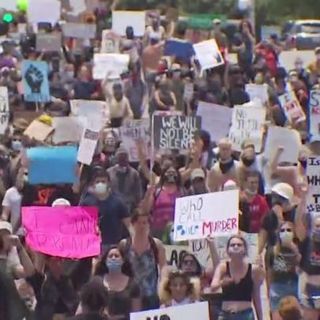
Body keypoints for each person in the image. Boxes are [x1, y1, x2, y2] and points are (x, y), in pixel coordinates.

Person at [119, 209, 167, 311]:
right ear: (132, 224)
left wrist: (163, 288)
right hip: (130, 295)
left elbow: (163, 267)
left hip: (151, 295)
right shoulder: (124, 245)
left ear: (149, 225)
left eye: (144, 222)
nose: (141, 226)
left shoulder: (156, 244)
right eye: (138, 222)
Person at [211, 235, 264, 320]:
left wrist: (260, 318)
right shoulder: (223, 267)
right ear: (228, 250)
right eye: (232, 245)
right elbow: (213, 287)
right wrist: (222, 282)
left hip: (245, 315)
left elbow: (256, 296)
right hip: (226, 315)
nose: (236, 247)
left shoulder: (253, 270)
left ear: (245, 250)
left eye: (239, 245)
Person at [80, 169, 130, 250]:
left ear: (108, 184)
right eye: (97, 181)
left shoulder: (118, 202)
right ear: (93, 184)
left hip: (114, 245)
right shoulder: (86, 203)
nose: (100, 184)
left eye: (103, 181)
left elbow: (129, 224)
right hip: (92, 245)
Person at [94, 246, 141, 320]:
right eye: (110, 256)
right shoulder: (97, 283)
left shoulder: (133, 285)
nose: (113, 258)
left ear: (123, 261)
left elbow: (137, 313)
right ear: (105, 261)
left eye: (116, 256)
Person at [141, 165, 183, 239]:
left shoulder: (182, 192)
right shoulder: (157, 192)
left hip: (177, 231)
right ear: (163, 175)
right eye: (169, 172)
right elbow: (145, 210)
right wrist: (148, 193)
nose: (171, 175)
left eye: (173, 173)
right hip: (158, 230)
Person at [107, 147, 142, 213]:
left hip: (129, 207)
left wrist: (137, 206)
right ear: (117, 158)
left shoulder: (134, 173)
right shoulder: (109, 172)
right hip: (113, 206)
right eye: (121, 157)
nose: (123, 159)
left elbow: (138, 193)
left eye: (125, 157)